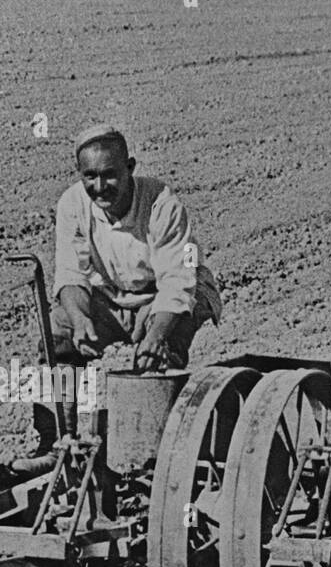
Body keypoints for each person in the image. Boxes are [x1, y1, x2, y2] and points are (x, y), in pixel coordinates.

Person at [12, 125, 222, 474]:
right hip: (112, 294)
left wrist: (155, 335)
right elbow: (70, 275)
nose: (99, 187)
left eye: (109, 175)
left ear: (130, 167)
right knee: (58, 332)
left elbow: (177, 282)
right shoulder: (73, 204)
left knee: (160, 353)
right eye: (89, 176)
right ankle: (56, 442)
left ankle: (156, 456)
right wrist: (80, 321)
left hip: (169, 294)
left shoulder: (162, 204)